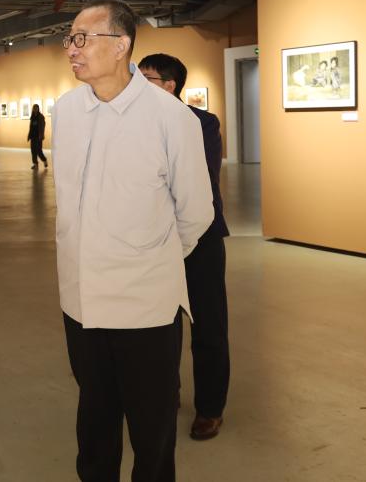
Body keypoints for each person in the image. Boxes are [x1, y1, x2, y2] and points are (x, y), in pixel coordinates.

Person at [51, 0, 213, 482]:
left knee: (152, 431)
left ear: (121, 45)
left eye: (83, 39)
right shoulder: (67, 111)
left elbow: (196, 213)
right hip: (81, 303)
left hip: (145, 307)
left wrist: (147, 258)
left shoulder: (170, 117)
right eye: (70, 39)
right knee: (94, 424)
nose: (72, 49)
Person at [138, 53, 231, 441]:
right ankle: (167, 393)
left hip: (201, 237)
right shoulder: (134, 123)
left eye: (146, 78)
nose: (137, 84)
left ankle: (210, 408)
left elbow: (198, 182)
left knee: (208, 324)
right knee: (160, 323)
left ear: (169, 85)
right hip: (154, 238)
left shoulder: (202, 123)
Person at [27, 103, 48, 169]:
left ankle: (44, 160)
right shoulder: (32, 116)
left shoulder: (41, 117)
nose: (35, 109)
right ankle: (35, 164)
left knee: (39, 151)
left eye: (36, 108)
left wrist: (41, 135)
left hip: (38, 137)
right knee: (33, 151)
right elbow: (31, 127)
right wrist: (29, 135)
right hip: (33, 136)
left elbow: (42, 127)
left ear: (38, 109)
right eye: (34, 108)